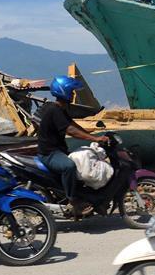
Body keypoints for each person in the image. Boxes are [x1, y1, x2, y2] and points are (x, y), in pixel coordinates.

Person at [37, 76, 109, 218]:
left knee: (83, 162)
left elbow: (73, 125)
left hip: (58, 150)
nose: (73, 94)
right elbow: (71, 130)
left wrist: (91, 132)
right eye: (72, 91)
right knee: (69, 166)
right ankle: (73, 201)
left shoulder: (61, 109)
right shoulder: (54, 110)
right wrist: (94, 138)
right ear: (64, 91)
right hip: (49, 154)